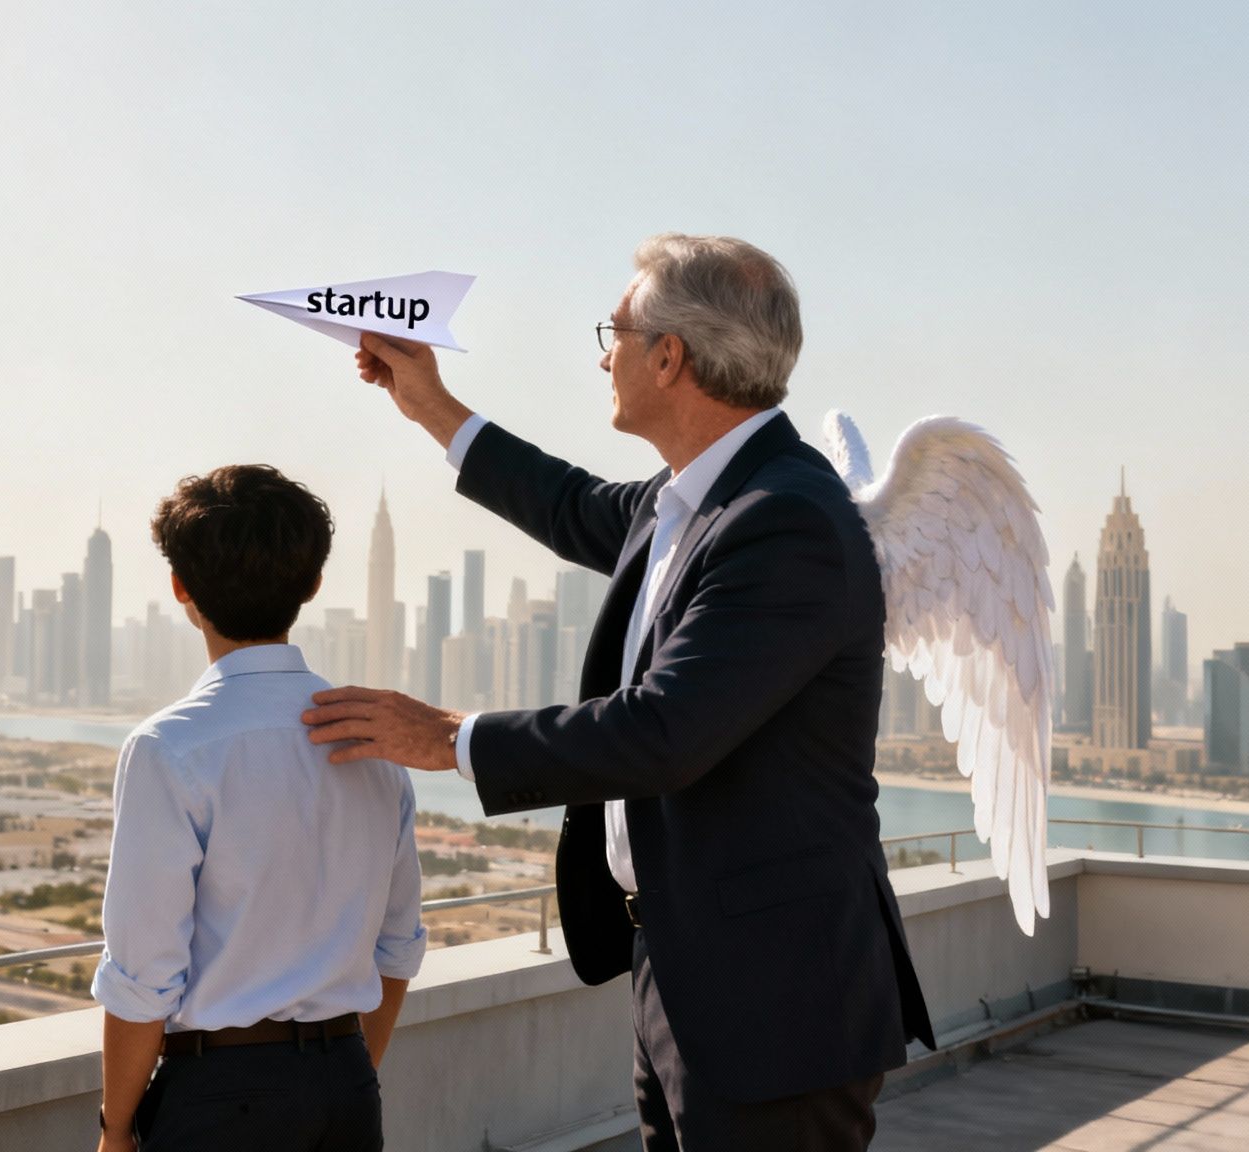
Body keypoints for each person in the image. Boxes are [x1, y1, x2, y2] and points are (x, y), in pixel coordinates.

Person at [302, 234, 933, 1151]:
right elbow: (563, 502)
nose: (605, 354)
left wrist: (448, 736)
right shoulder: (687, 502)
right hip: (681, 972)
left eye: (616, 332)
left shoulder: (785, 519)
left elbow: (666, 731)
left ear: (669, 356)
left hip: (778, 1003)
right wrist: (429, 406)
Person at [93, 464, 426, 1152]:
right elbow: (397, 950)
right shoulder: (375, 737)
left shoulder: (169, 748)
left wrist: (116, 1128)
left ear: (182, 589)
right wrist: (343, 1073)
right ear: (312, 585)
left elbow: (143, 976)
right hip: (345, 1085)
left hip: (221, 1095)